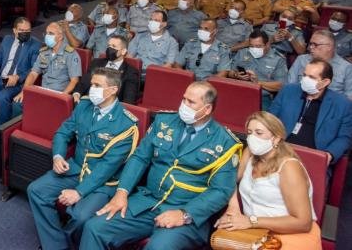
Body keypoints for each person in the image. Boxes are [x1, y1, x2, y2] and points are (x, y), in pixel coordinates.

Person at [79, 81, 241, 250]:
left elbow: (221, 190)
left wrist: (185, 214)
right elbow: (140, 158)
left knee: (158, 248)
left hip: (185, 212)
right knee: (95, 228)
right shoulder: (165, 121)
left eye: (191, 102)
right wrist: (122, 193)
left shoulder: (225, 142)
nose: (184, 105)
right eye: (184, 99)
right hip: (147, 201)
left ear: (207, 109)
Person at [28, 68, 139, 250]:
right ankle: (56, 245)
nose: (91, 89)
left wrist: (79, 192)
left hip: (103, 181)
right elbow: (63, 132)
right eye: (92, 84)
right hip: (75, 167)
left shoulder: (126, 124)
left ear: (112, 90)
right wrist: (58, 156)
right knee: (36, 190)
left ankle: (70, 241)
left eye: (97, 85)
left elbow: (108, 167)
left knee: (81, 216)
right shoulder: (84, 105)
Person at [215, 111, 322, 250]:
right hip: (255, 231)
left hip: (291, 234)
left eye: (259, 133)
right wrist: (233, 208)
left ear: (276, 138)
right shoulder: (251, 153)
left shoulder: (289, 167)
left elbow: (303, 223)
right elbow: (229, 179)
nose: (252, 138)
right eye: (249, 133)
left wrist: (251, 221)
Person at [271, 60, 352, 168]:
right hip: (280, 150)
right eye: (304, 75)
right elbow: (270, 119)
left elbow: (344, 138)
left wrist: (329, 155)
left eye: (312, 77)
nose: (305, 80)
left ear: (325, 82)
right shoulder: (288, 91)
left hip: (313, 159)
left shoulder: (342, 104)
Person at [12, 22, 82, 112]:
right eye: (47, 33)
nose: (47, 36)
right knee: (17, 103)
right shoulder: (44, 52)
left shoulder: (70, 54)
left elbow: (74, 81)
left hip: (59, 94)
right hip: (43, 92)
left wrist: (62, 97)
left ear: (60, 37)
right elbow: (33, 73)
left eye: (51, 33)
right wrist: (25, 91)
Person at [227, 30, 288, 109]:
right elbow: (229, 72)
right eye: (251, 46)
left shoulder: (278, 59)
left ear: (267, 45)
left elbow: (281, 85)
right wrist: (236, 75)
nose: (254, 49)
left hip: (261, 97)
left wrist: (258, 83)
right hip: (238, 91)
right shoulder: (242, 52)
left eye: (258, 46)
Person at [73, 36, 140, 104]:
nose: (110, 48)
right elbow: (84, 82)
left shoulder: (131, 72)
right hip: (88, 101)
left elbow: (128, 100)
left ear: (123, 51)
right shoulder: (96, 62)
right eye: (109, 45)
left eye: (114, 46)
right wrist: (77, 94)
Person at [288, 29, 352, 99]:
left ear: (329, 47)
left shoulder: (347, 68)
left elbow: (349, 98)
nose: (310, 48)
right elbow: (289, 86)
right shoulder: (301, 60)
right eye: (310, 44)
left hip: (330, 107)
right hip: (299, 101)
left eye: (315, 45)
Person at [128, 10, 178, 77]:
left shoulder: (172, 42)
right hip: (135, 73)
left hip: (155, 75)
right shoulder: (139, 36)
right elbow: (129, 56)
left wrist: (153, 76)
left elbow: (168, 65)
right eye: (151, 19)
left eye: (156, 20)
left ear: (164, 24)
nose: (152, 22)